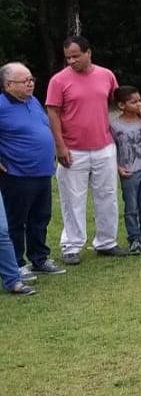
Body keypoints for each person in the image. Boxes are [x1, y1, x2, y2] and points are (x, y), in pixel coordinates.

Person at [45, 35, 129, 263]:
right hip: (73, 149)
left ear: (88, 52)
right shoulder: (59, 81)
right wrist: (60, 145)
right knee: (73, 198)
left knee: (108, 195)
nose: (71, 61)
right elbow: (52, 112)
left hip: (104, 146)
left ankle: (107, 242)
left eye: (75, 56)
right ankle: (71, 246)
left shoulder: (106, 75)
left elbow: (123, 102)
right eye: (67, 57)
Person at [0, 62, 64, 277]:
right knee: (16, 220)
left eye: (31, 79)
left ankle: (39, 258)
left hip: (42, 172)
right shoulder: (1, 105)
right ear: (8, 85)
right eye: (24, 81)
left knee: (40, 217)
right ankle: (16, 263)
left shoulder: (33, 101)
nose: (30, 84)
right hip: (17, 174)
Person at [109, 87, 141, 254]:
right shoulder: (114, 125)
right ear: (122, 105)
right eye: (134, 102)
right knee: (131, 207)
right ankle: (134, 238)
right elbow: (112, 148)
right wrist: (118, 166)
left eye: (139, 100)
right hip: (129, 171)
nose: (139, 104)